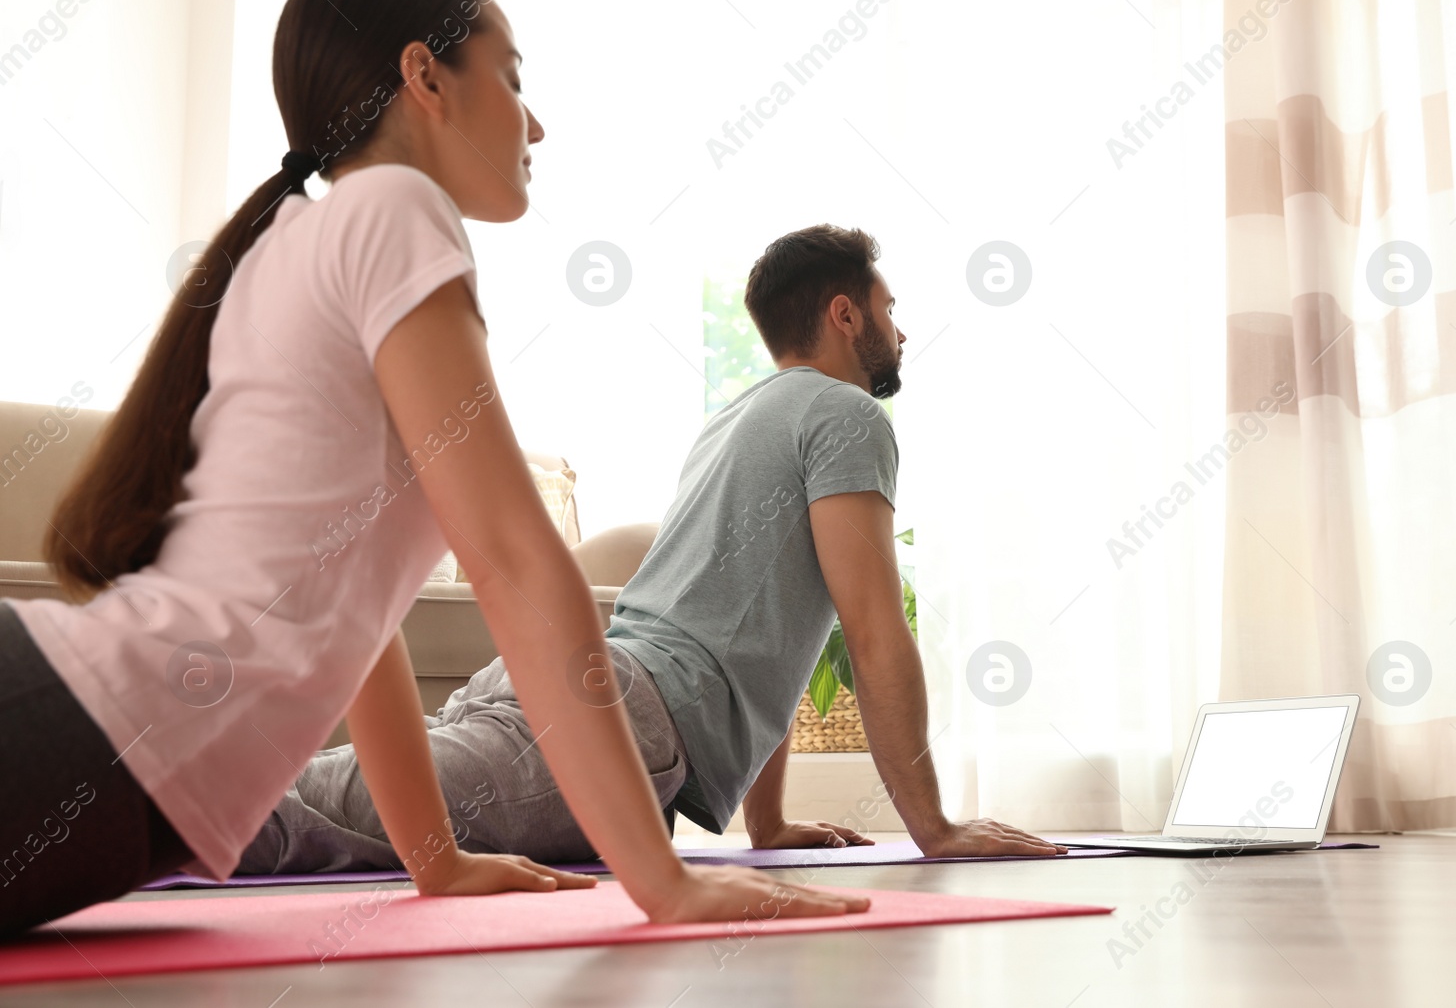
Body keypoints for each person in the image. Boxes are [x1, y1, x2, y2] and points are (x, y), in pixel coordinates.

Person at [0, 0, 865, 937]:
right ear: (424, 77)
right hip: (76, 728)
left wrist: (436, 858)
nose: (535, 122)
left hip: (88, 744)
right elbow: (511, 557)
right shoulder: (394, 206)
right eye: (512, 77)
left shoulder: (318, 234)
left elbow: (348, 615)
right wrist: (660, 881)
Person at [241, 224, 1066, 873]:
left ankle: (150, 786)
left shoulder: (740, 419)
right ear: (844, 314)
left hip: (590, 694)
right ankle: (132, 788)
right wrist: (935, 826)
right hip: (612, 720)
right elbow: (877, 627)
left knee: (318, 801)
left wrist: (769, 822)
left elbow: (771, 631)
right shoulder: (847, 417)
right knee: (284, 818)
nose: (902, 329)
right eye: (889, 309)